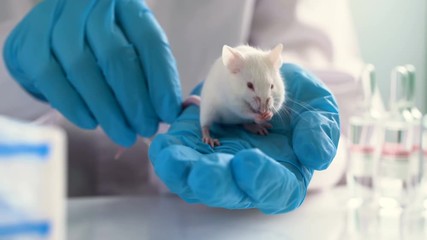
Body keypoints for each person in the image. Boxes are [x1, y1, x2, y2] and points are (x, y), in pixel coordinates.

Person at [2, 0, 363, 214]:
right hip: (35, 207)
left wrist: (304, 135)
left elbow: (341, 102)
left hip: (222, 225)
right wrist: (15, 74)